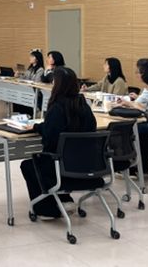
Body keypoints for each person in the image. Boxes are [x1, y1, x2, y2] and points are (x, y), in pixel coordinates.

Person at [20, 67, 97, 218]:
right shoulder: (84, 106)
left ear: (58, 85)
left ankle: (46, 209)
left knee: (30, 165)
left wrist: (37, 128)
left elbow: (50, 139)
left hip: (62, 168)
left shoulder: (57, 107)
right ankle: (64, 200)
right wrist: (40, 127)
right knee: (51, 161)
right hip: (87, 166)